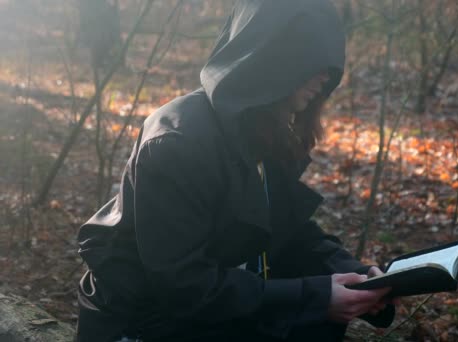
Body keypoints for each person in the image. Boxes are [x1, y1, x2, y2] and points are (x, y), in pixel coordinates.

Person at [75, 0, 395, 341]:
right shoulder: (177, 144)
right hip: (142, 323)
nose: (325, 77)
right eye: (314, 61)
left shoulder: (261, 129)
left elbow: (285, 229)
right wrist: (314, 296)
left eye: (331, 67)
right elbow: (182, 285)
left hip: (205, 310)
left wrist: (353, 274)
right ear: (273, 56)